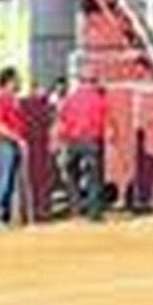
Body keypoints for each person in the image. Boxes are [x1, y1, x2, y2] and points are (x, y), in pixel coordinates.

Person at [56, 75, 108, 222]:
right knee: (94, 176)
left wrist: (62, 138)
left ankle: (75, 208)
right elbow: (103, 119)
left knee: (72, 173)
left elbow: (62, 119)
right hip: (91, 139)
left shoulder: (71, 98)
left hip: (72, 140)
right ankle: (94, 212)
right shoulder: (98, 99)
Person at [0, 67, 29, 228]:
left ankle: (5, 217)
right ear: (9, 82)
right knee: (2, 180)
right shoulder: (0, 99)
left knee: (10, 181)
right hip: (3, 144)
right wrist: (17, 139)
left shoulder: (12, 99)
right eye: (16, 80)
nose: (19, 83)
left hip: (12, 143)